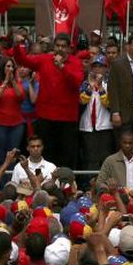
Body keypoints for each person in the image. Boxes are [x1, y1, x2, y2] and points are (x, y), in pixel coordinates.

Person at [12, 32, 83, 168]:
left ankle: (65, 185)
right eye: (57, 45)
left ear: (69, 48)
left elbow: (77, 82)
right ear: (54, 46)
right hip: (46, 116)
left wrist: (62, 67)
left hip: (67, 118)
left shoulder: (75, 62)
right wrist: (17, 45)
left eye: (63, 46)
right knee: (47, 154)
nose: (60, 49)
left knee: (67, 154)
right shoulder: (44, 59)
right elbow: (23, 61)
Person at [0, 57, 25, 168]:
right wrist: (5, 82)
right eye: (8, 66)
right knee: (1, 155)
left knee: (13, 156)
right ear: (1, 67)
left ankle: (11, 183)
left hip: (16, 125)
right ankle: (0, 184)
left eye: (12, 66)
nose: (11, 69)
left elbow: (21, 96)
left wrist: (12, 81)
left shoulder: (17, 81)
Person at [79, 55, 114, 170]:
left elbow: (108, 103)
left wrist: (100, 88)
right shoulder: (84, 84)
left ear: (106, 69)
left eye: (100, 66)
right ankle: (89, 184)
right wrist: (91, 87)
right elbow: (82, 101)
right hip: (87, 126)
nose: (97, 69)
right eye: (95, 66)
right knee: (89, 157)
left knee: (104, 158)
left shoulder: (109, 84)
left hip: (105, 126)